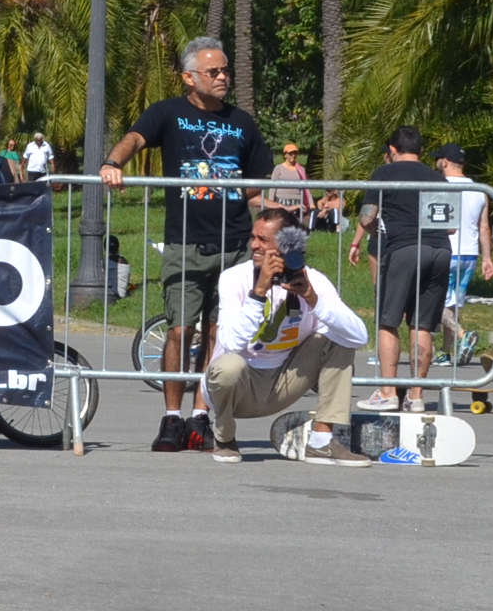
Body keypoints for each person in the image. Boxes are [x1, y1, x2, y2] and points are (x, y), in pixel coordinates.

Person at [99, 37, 272, 453]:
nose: (223, 77)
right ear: (189, 77)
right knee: (180, 329)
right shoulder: (168, 113)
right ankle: (171, 418)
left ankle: (200, 414)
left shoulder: (242, 122)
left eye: (225, 70)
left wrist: (284, 206)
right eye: (213, 72)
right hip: (186, 241)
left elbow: (257, 185)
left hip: (234, 245)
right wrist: (111, 163)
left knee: (217, 333)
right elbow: (136, 139)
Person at [200, 208, 374, 465]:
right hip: (237, 385)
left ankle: (322, 442)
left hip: (285, 380)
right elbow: (230, 343)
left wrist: (314, 300)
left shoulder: (313, 280)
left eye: (263, 240)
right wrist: (258, 292)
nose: (254, 245)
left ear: (287, 245)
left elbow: (359, 337)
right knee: (229, 364)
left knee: (339, 337)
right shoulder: (234, 278)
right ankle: (224, 437)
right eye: (253, 237)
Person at [351, 126, 450, 410]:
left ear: (392, 150)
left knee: (388, 319)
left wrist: (371, 234)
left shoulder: (384, 173)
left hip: (403, 249)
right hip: (440, 250)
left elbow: (367, 217)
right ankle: (417, 396)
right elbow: (450, 226)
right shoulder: (438, 179)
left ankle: (388, 392)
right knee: (422, 324)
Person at [433, 144, 493, 368]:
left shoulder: (438, 186)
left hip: (446, 250)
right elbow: (484, 227)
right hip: (470, 253)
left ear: (445, 162)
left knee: (434, 300)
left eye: (438, 159)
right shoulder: (480, 190)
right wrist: (487, 258)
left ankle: (462, 334)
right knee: (453, 305)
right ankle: (444, 352)